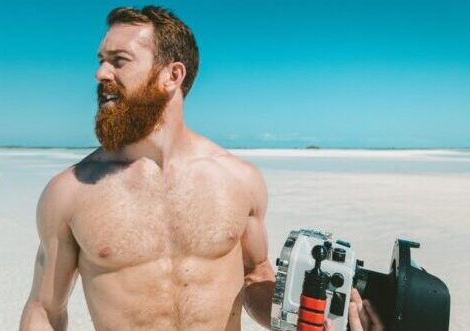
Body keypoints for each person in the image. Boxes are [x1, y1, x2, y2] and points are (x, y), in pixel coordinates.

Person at [19, 5, 381, 331]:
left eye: (119, 60)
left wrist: (307, 314)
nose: (100, 73)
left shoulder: (240, 180)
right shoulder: (70, 192)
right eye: (100, 59)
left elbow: (256, 278)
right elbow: (44, 311)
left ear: (172, 75)